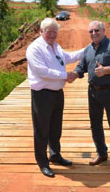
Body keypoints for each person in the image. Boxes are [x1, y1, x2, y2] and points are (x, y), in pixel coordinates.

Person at [26, 18, 84, 177]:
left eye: (54, 32)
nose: (52, 35)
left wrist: (89, 49)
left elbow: (69, 57)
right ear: (41, 31)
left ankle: (55, 155)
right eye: (48, 32)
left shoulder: (55, 46)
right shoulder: (35, 49)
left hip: (58, 94)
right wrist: (66, 75)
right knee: (41, 130)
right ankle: (42, 162)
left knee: (55, 128)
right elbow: (41, 71)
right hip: (42, 94)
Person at [70, 21, 110, 174]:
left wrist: (106, 70)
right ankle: (101, 153)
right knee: (95, 125)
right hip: (93, 92)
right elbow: (82, 66)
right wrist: (74, 74)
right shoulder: (88, 49)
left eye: (96, 30)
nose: (94, 33)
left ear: (103, 30)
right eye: (91, 31)